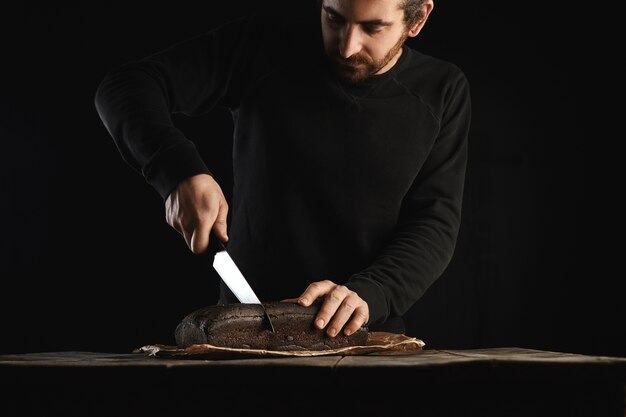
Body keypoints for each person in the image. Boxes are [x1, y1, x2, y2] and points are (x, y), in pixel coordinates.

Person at [94, 0, 471, 338]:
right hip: (240, 337)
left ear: (418, 18)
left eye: (372, 28)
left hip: (364, 339)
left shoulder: (442, 89)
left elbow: (434, 222)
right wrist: (176, 171)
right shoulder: (262, 47)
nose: (346, 46)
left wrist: (371, 293)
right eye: (333, 18)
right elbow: (126, 87)